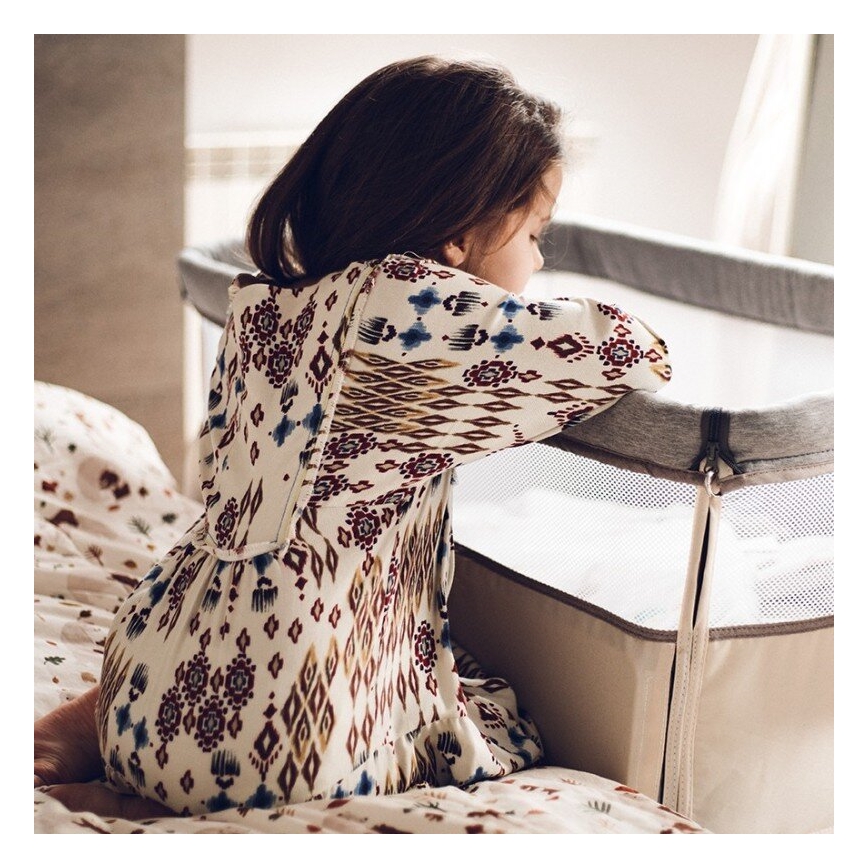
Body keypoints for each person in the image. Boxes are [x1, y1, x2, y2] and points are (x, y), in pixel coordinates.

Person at [34, 55, 671, 818]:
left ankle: (122, 752)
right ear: (458, 232)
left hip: (152, 667)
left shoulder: (264, 305)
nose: (538, 260)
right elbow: (631, 351)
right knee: (501, 724)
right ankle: (166, 808)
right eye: (535, 234)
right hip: (279, 723)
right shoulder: (411, 308)